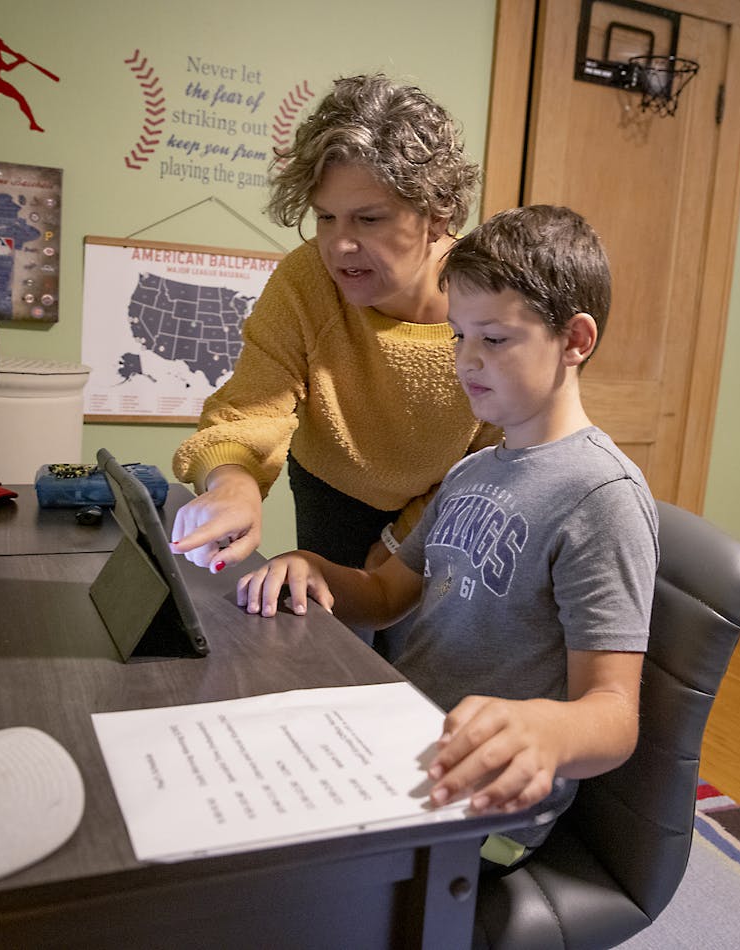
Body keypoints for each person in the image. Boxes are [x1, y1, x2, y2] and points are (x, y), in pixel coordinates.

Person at [236, 205, 656, 873]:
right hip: (406, 741)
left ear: (575, 339)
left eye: (494, 339)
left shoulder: (601, 496)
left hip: (488, 800)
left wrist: (547, 728)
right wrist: (312, 568)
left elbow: (613, 715)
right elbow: (382, 596)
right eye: (459, 335)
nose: (466, 361)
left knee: (276, 869)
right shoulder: (472, 472)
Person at [170, 74, 498, 579]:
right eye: (326, 218)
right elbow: (252, 407)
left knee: (421, 642)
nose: (339, 247)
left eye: (368, 220)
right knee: (336, 636)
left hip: (449, 497)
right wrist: (232, 483)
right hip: (332, 485)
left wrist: (404, 536)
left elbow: (496, 452)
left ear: (438, 214)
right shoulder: (307, 278)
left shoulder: (491, 297)